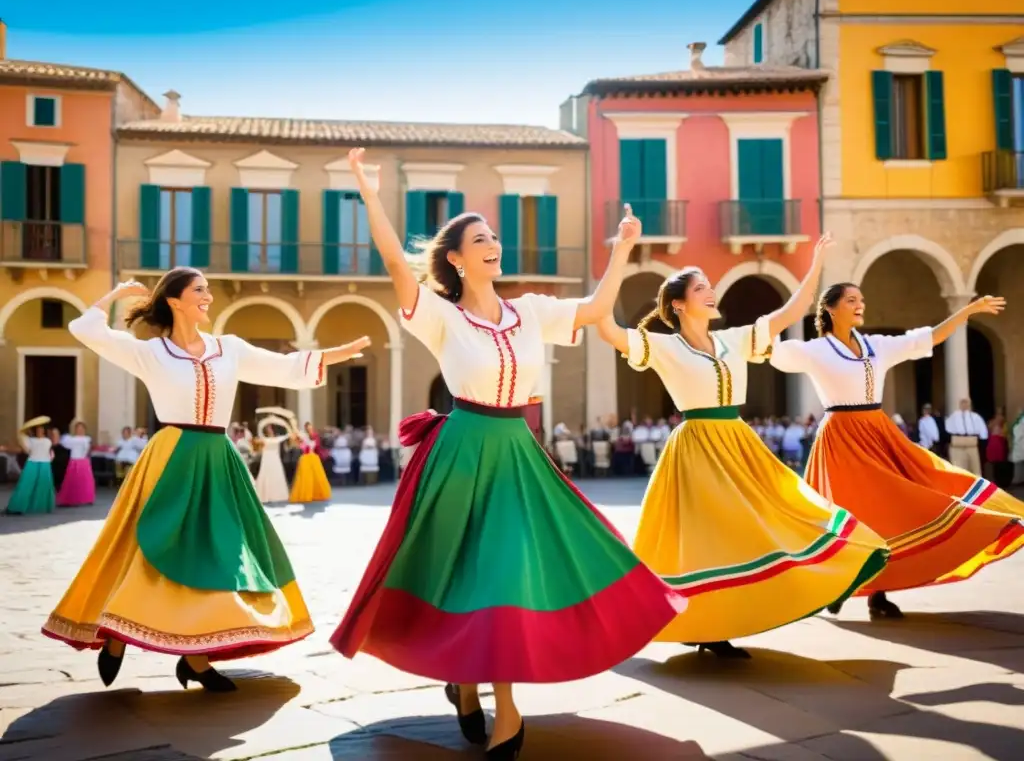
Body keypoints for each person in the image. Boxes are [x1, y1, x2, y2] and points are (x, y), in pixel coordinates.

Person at [329, 148, 686, 760]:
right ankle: (468, 688)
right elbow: (394, 259)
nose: (493, 242)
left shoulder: (530, 312)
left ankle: (507, 711)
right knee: (464, 575)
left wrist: (624, 248)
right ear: (456, 259)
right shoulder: (439, 316)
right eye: (479, 238)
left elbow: (597, 310)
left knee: (503, 572)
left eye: (494, 235)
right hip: (461, 453)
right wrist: (366, 188)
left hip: (517, 453)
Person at [42, 269, 370, 692]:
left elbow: (284, 368)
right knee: (145, 546)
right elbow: (85, 329)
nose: (208, 297)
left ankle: (195, 658)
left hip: (217, 459)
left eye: (208, 290)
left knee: (218, 553)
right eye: (199, 290)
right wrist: (116, 295)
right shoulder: (151, 352)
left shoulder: (228, 349)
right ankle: (118, 633)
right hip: (170, 458)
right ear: (175, 301)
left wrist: (336, 353)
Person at [595, 234, 887, 659]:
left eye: (710, 287)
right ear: (678, 304)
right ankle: (708, 627)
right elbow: (606, 327)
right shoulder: (662, 346)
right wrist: (621, 252)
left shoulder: (736, 339)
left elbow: (792, 311)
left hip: (737, 442)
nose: (711, 293)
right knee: (705, 538)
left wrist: (816, 264)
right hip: (695, 449)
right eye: (700, 289)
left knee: (779, 515)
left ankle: (805, 585)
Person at [770, 284, 1023, 618]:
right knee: (847, 516)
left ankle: (878, 591)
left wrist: (967, 312)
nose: (861, 304)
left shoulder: (877, 346)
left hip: (878, 433)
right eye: (852, 300)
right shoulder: (816, 350)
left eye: (861, 299)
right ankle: (838, 585)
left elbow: (928, 337)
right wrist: (772, 321)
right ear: (830, 309)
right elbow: (773, 352)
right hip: (841, 438)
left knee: (892, 507)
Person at [6, 420, 55, 515]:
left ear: (44, 431)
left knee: (43, 486)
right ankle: (18, 507)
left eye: (41, 429)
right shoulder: (30, 440)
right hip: (32, 462)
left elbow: (49, 450)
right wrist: (23, 432)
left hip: (44, 463)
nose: (39, 431)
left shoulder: (47, 441)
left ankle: (40, 507)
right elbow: (26, 449)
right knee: (26, 485)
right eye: (38, 429)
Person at [56, 420, 96, 507]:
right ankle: (70, 499)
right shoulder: (71, 439)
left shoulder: (87, 439)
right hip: (74, 460)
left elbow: (88, 450)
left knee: (85, 481)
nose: (80, 430)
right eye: (78, 428)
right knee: (72, 481)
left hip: (83, 461)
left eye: (81, 428)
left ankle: (86, 498)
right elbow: (64, 443)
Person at [289, 421, 332, 503]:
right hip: (306, 457)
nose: (310, 429)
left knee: (317, 476)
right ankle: (306, 494)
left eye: (311, 427)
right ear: (306, 428)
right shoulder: (303, 436)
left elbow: (317, 446)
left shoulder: (315, 436)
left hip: (314, 457)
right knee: (306, 477)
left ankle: (316, 494)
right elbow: (301, 444)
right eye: (308, 428)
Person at [945, 399, 988, 476]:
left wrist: (983, 439)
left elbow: (982, 429)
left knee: (974, 467)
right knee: (958, 468)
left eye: (966, 403)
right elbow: (947, 429)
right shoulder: (954, 416)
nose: (964, 405)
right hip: (957, 442)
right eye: (962, 403)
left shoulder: (975, 416)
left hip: (971, 442)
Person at [254, 416, 291, 504]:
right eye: (268, 428)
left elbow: (287, 435)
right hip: (267, 458)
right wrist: (267, 420)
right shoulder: (264, 439)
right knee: (266, 473)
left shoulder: (277, 439)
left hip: (274, 458)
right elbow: (260, 428)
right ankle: (264, 494)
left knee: (276, 474)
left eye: (270, 428)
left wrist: (280, 421)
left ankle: (276, 495)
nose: (269, 430)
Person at [986, 407, 1013, 490]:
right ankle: (997, 480)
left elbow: (1005, 432)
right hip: (993, 442)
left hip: (999, 442)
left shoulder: (1003, 421)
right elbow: (989, 429)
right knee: (995, 463)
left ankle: (1001, 481)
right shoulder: (992, 422)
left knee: (1000, 462)